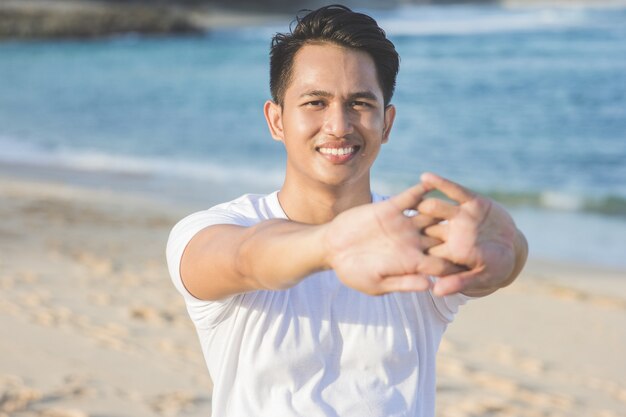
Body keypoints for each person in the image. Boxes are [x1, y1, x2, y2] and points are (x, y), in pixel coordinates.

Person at [166, 4, 528, 416]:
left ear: (386, 124)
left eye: (360, 103)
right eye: (315, 102)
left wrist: (511, 251)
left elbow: (488, 262)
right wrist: (333, 244)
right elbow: (247, 258)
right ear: (276, 120)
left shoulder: (410, 241)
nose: (338, 125)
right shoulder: (216, 228)